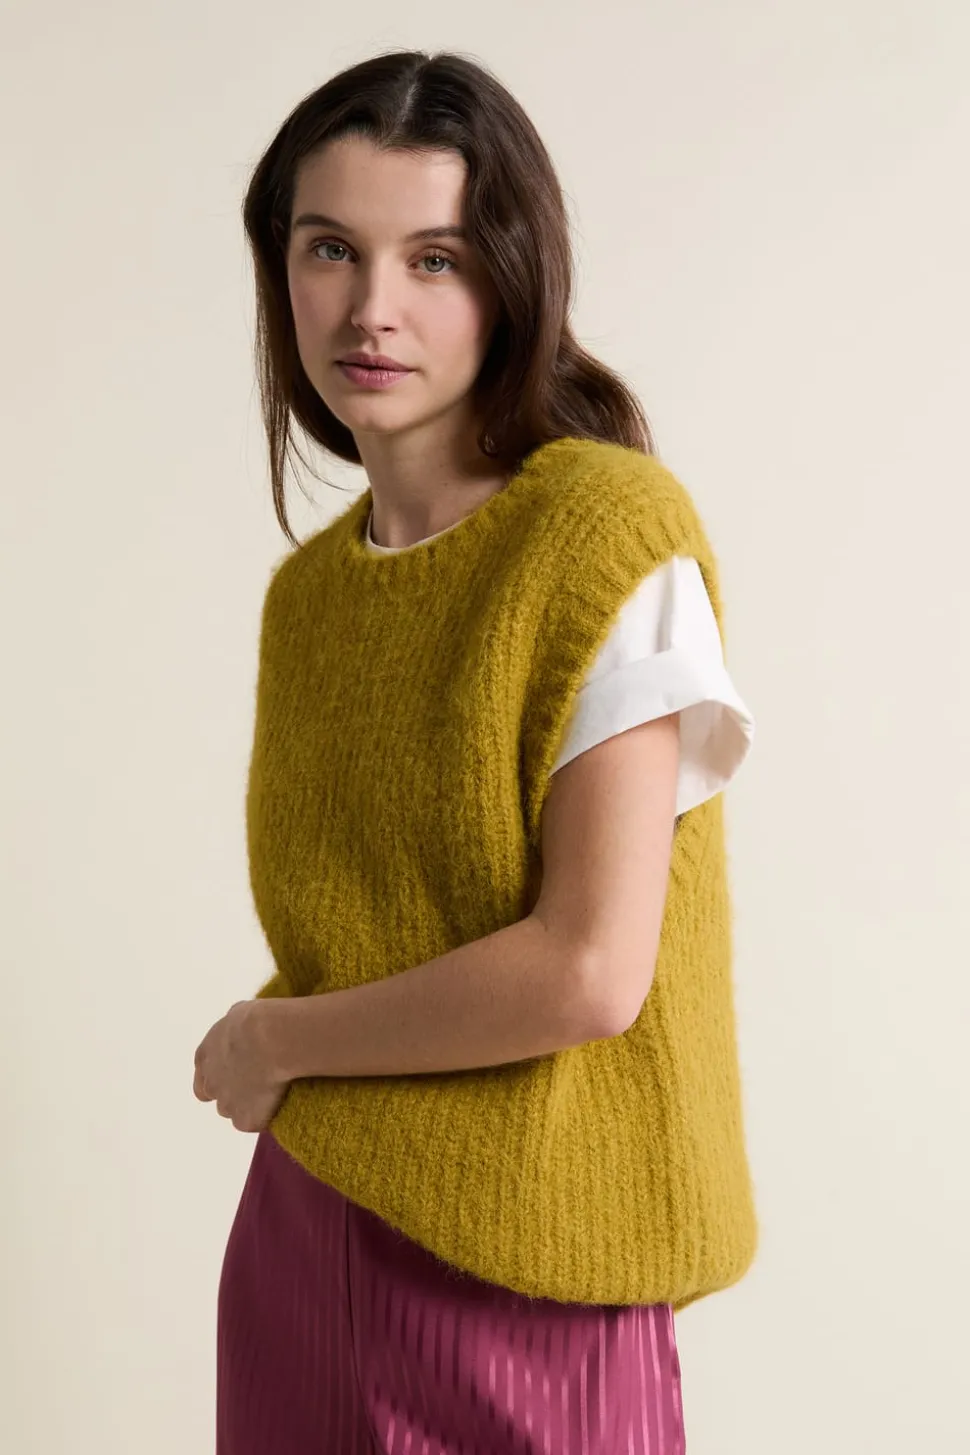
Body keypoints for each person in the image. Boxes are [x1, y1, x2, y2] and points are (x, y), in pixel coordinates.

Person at [193, 49, 759, 1455]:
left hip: (542, 1278)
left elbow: (589, 969)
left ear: (510, 281)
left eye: (433, 259)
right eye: (330, 249)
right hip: (310, 1239)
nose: (370, 309)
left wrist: (274, 1037)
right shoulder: (309, 600)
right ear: (280, 269)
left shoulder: (604, 532)